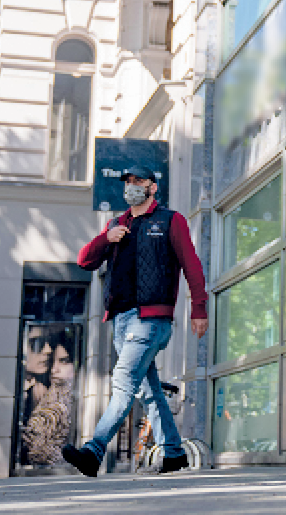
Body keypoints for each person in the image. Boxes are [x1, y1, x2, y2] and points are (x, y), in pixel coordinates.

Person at [62, 166, 208, 477]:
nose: (132, 187)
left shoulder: (170, 220)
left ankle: (94, 450)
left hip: (150, 319)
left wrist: (199, 309)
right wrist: (106, 237)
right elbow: (84, 260)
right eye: (128, 182)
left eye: (139, 181)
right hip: (121, 320)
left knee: (123, 381)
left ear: (153, 188)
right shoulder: (116, 224)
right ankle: (174, 453)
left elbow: (192, 265)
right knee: (149, 390)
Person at [20, 327, 77, 466]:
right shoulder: (36, 389)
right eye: (37, 343)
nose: (47, 350)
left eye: (64, 361)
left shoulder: (55, 393)